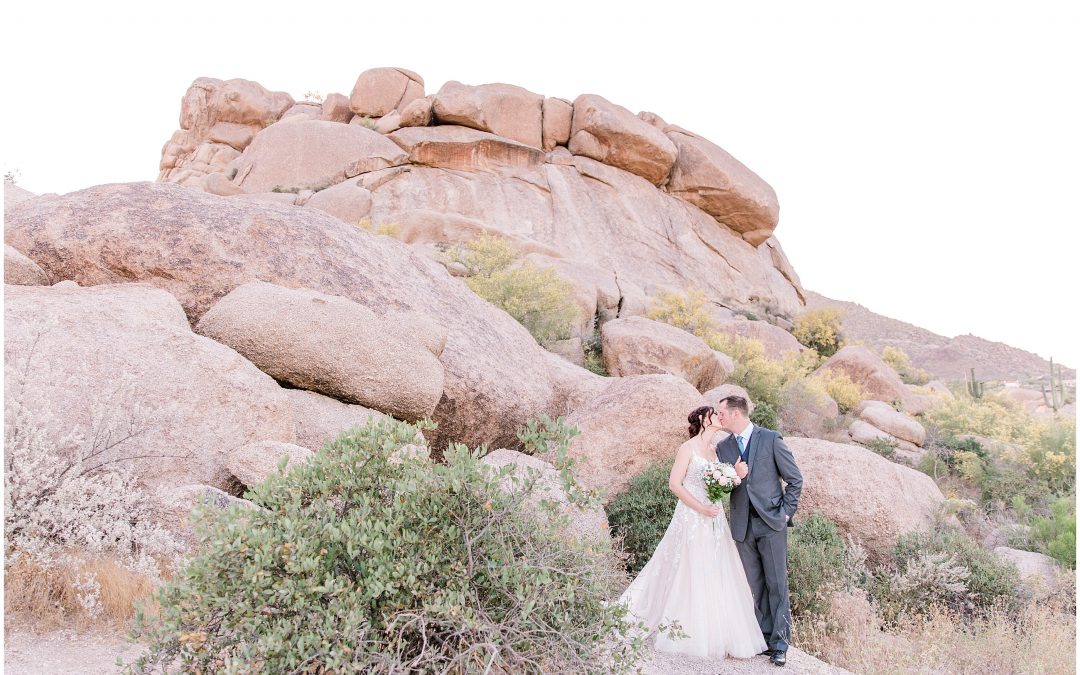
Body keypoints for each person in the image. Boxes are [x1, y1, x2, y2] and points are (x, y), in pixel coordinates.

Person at [619, 405, 767, 659]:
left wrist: (736, 477)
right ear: (702, 419)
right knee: (689, 565)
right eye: (713, 413)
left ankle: (715, 630)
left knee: (714, 566)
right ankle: (681, 627)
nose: (718, 417)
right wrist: (700, 507)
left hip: (714, 517)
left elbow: (718, 486)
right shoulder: (687, 449)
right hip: (691, 516)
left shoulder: (716, 450)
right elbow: (674, 484)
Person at [715, 395, 803, 667]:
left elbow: (795, 479)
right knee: (754, 586)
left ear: (736, 414)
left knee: (777, 584)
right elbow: (723, 486)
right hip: (743, 527)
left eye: (722, 413)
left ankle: (779, 645)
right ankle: (763, 638)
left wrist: (785, 514)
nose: (719, 417)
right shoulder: (723, 447)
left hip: (771, 524)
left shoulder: (770, 438)